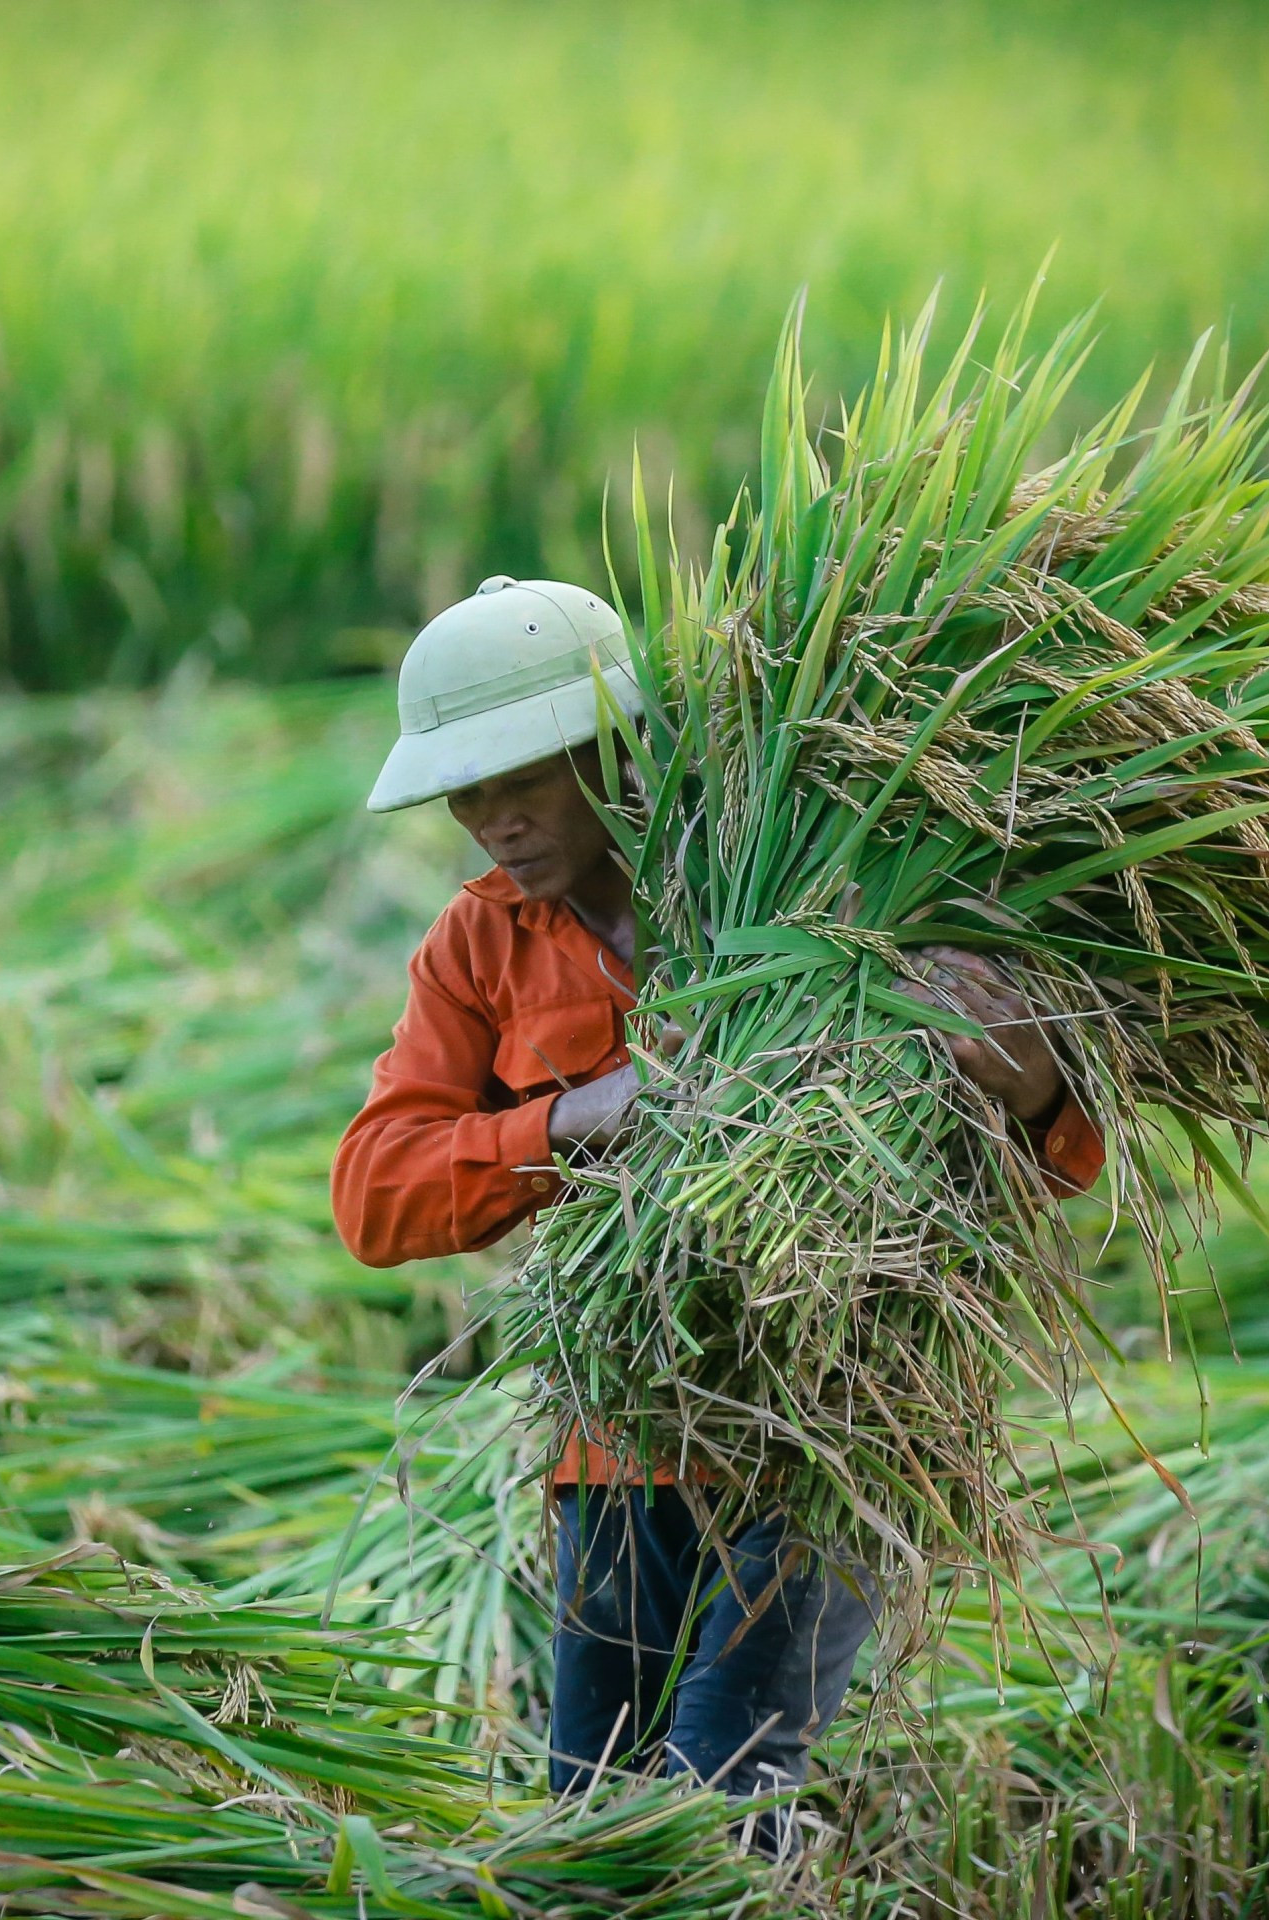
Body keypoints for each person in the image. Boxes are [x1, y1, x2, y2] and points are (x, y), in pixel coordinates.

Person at [331, 576, 1102, 1840]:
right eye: (460, 790)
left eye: (519, 776)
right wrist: (573, 1118)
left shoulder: (810, 870)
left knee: (726, 1789)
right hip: (622, 1431)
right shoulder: (476, 948)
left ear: (612, 743)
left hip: (843, 1422)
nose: (488, 817)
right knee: (590, 1812)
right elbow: (374, 1197)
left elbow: (1055, 1162)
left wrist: (1026, 1079)